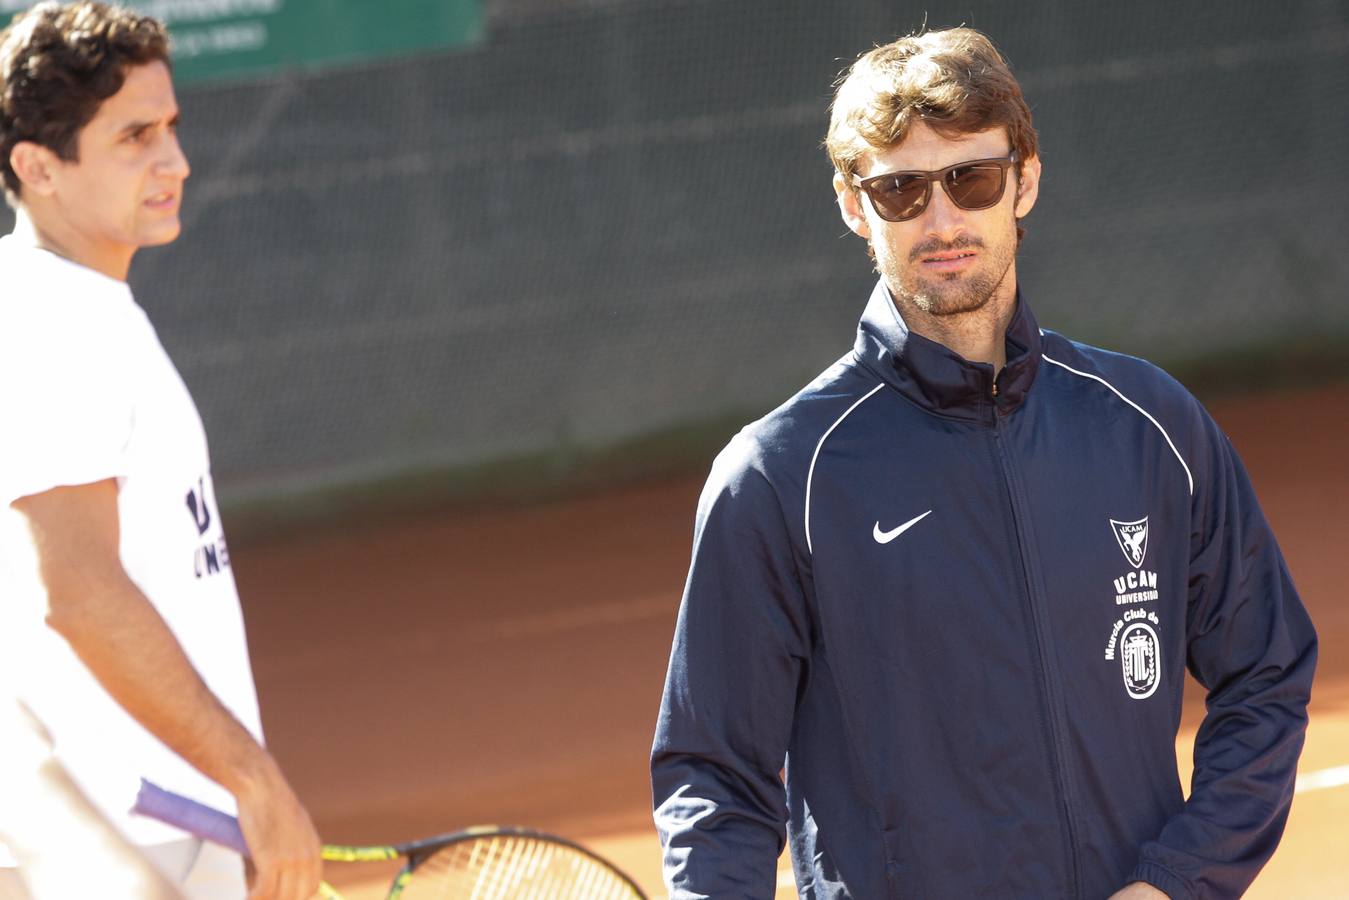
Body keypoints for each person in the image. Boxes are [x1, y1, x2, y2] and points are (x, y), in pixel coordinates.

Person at [651, 27, 1316, 900]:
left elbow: (1264, 673)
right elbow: (715, 782)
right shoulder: (779, 476)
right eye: (899, 190)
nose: (941, 220)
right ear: (854, 206)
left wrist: (1175, 882)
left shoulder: (1150, 424)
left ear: (1024, 180)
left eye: (970, 178)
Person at [0, 4, 322, 898]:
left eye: (171, 127)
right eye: (134, 136)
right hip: (121, 838)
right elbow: (77, 589)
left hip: (138, 822)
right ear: (38, 169)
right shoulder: (52, 325)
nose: (174, 161)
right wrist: (253, 780)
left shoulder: (69, 310)